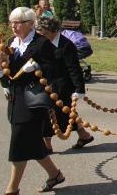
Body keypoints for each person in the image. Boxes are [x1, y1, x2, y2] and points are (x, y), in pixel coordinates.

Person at [0, 7, 65, 195]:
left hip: (33, 101)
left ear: (31, 23)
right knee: (32, 142)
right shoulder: (11, 43)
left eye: (18, 23)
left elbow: (53, 69)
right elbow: (9, 69)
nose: (14, 27)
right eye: (11, 22)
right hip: (16, 99)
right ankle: (55, 175)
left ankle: (12, 191)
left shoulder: (41, 44)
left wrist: (38, 67)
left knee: (19, 143)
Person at [36, 16, 94, 152]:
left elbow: (74, 69)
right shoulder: (42, 43)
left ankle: (47, 144)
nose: (43, 37)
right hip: (46, 83)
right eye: (41, 34)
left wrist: (79, 89)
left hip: (62, 85)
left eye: (45, 34)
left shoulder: (66, 45)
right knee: (61, 113)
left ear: (55, 30)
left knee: (55, 113)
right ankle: (83, 135)